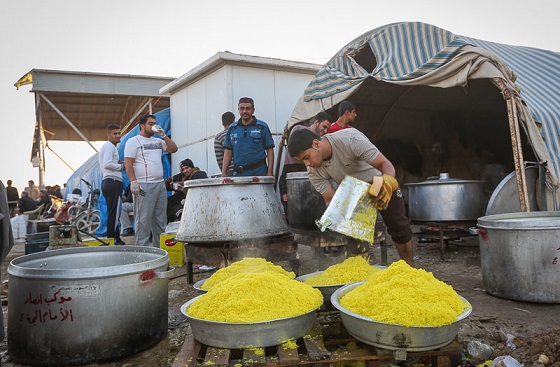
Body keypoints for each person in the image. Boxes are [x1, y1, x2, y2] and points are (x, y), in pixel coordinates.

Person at [287, 128, 414, 266]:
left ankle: (409, 270)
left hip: (380, 183)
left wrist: (388, 182)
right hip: (354, 193)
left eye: (307, 157)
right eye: (302, 161)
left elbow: (385, 164)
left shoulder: (350, 139)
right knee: (355, 239)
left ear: (316, 144)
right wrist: (339, 219)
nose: (307, 164)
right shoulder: (313, 171)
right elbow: (331, 199)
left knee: (399, 229)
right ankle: (360, 276)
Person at [124, 114, 178, 247]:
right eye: (150, 123)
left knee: (160, 220)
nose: (153, 126)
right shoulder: (133, 141)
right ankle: (142, 253)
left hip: (159, 184)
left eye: (154, 123)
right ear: (142, 126)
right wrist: (133, 181)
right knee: (143, 220)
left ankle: (159, 253)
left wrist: (164, 135)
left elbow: (174, 149)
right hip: (143, 185)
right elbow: (128, 163)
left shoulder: (158, 141)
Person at [279, 111, 333, 218]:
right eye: (324, 126)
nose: (325, 131)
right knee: (293, 209)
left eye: (327, 129)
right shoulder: (299, 130)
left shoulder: (319, 141)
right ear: (316, 122)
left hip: (308, 174)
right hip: (291, 172)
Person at [222, 97, 275, 177]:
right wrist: (224, 173)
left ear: (253, 110)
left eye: (248, 108)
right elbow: (228, 151)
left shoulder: (262, 127)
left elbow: (269, 150)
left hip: (259, 174)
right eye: (242, 108)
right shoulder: (232, 128)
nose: (245, 111)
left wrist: (270, 172)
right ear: (238, 110)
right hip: (239, 175)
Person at [99, 123, 126, 245]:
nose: (118, 135)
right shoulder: (110, 146)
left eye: (119, 133)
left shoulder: (109, 147)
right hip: (113, 181)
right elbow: (107, 164)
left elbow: (109, 162)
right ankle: (112, 239)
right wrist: (122, 166)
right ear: (108, 135)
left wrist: (120, 162)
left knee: (113, 212)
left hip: (109, 181)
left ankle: (115, 238)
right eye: (114, 133)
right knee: (115, 213)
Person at [165, 158, 208, 222]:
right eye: (183, 169)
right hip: (182, 199)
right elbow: (167, 186)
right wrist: (168, 181)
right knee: (167, 203)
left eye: (187, 168)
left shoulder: (199, 174)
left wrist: (181, 184)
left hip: (196, 200)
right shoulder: (182, 176)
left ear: (192, 167)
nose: (185, 171)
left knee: (176, 209)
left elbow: (196, 181)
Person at [214, 111, 236, 176]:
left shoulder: (218, 137)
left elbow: (220, 158)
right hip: (243, 169)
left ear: (222, 123)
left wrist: (224, 171)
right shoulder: (238, 133)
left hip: (229, 171)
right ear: (234, 121)